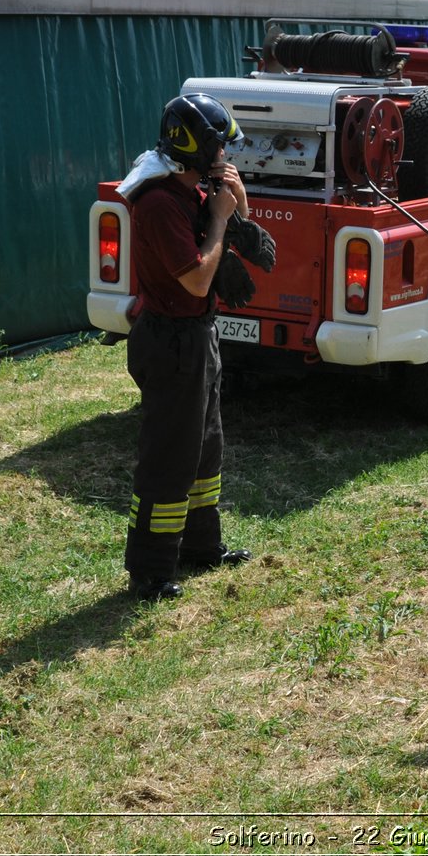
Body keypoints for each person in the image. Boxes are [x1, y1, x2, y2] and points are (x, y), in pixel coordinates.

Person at [119, 93, 266, 601]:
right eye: (221, 150)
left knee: (205, 448)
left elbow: (230, 225)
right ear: (196, 151)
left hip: (199, 337)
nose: (227, 157)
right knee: (168, 458)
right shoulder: (160, 203)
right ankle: (150, 569)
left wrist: (235, 202)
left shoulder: (192, 191)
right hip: (170, 342)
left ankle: (201, 547)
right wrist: (223, 222)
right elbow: (199, 282)